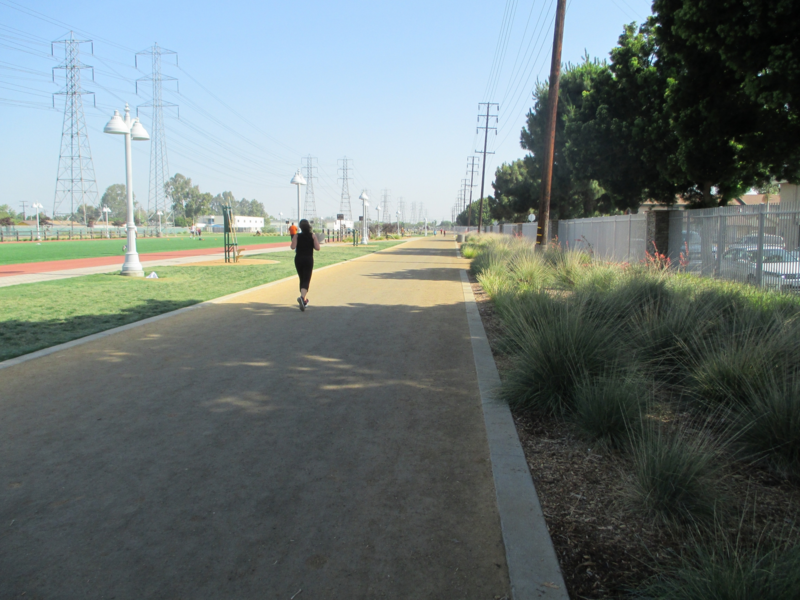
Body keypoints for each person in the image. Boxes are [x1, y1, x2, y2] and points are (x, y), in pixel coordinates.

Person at [290, 219, 320, 311]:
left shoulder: (297, 236)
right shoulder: (312, 236)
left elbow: (292, 247)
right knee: (306, 279)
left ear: (300, 227)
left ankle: (304, 300)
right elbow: (318, 248)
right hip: (308, 259)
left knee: (302, 278)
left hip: (298, 259)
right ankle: (302, 298)